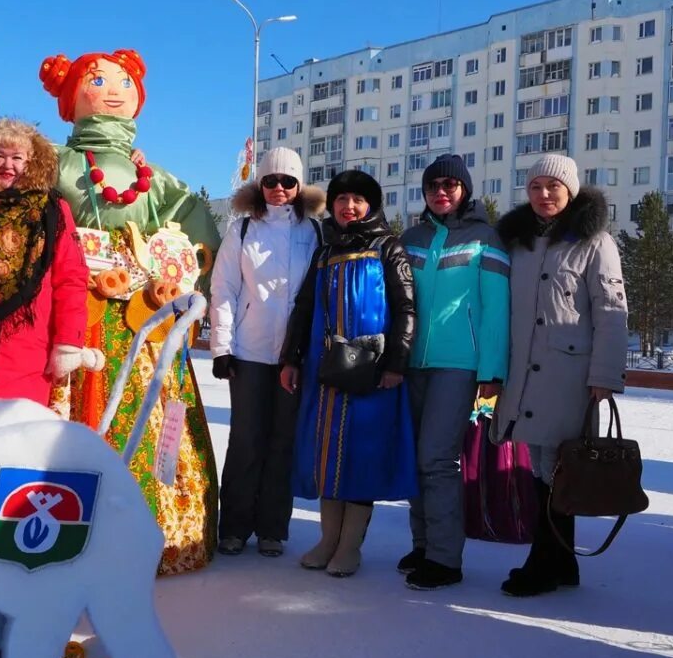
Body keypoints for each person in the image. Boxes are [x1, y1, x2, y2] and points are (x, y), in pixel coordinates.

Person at [39, 49, 221, 575]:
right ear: (70, 95)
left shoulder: (156, 178)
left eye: (123, 81)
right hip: (79, 313)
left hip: (143, 317)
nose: (113, 89)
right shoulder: (56, 161)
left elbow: (196, 232)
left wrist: (185, 278)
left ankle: (159, 533)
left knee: (151, 407)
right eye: (96, 80)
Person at [492, 153, 628, 597]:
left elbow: (612, 312)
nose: (544, 195)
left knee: (558, 467)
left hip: (570, 375)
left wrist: (605, 375)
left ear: (570, 192)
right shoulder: (520, 242)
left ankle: (544, 562)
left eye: (554, 187)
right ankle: (561, 561)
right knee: (541, 467)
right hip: (525, 373)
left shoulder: (596, 242)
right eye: (535, 187)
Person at [279, 170, 416, 577]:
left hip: (372, 373)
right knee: (326, 456)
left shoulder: (388, 248)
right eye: (341, 199)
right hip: (326, 371)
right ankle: (327, 540)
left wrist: (396, 365)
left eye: (358, 199)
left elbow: (406, 310)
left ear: (370, 206)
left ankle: (350, 547)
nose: (349, 207)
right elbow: (303, 310)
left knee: (361, 456)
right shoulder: (323, 253)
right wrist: (291, 359)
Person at [397, 154, 510, 589]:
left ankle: (445, 559)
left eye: (449, 185)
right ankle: (423, 544)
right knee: (414, 456)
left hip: (458, 365)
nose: (440, 192)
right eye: (432, 186)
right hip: (410, 364)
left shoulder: (487, 239)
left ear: (465, 189)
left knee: (437, 459)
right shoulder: (411, 237)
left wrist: (491, 370)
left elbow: (496, 310)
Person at [208, 147, 325, 557]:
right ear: (260, 185)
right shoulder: (242, 231)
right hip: (249, 351)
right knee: (245, 440)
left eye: (287, 181)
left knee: (283, 442)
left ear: (299, 186)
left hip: (293, 357)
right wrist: (222, 347)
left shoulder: (314, 232)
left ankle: (273, 528)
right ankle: (235, 526)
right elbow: (223, 289)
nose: (278, 189)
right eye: (270, 181)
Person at [0, 118, 93, 406]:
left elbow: (71, 277)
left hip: (27, 349)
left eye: (17, 157)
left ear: (31, 162)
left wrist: (68, 341)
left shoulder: (53, 210)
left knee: (17, 438)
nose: (8, 166)